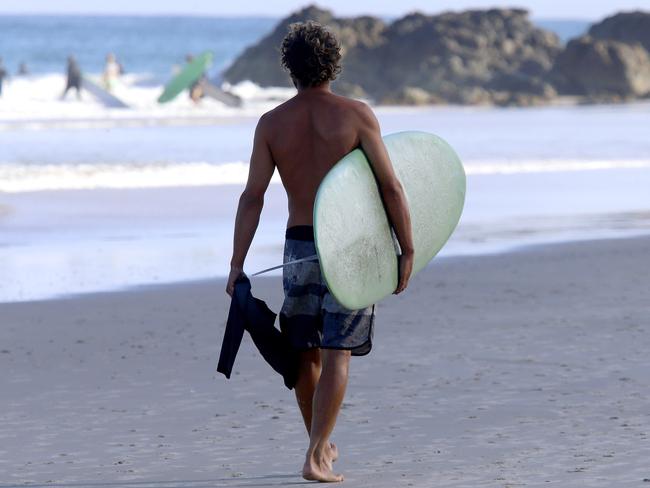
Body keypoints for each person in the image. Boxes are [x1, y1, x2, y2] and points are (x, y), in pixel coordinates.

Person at [226, 21, 414, 482]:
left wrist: (237, 263)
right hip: (351, 243)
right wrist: (407, 247)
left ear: (290, 68)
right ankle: (315, 455)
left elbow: (253, 196)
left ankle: (320, 445)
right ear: (335, 64)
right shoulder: (357, 115)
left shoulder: (272, 124)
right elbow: (390, 186)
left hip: (300, 248)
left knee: (305, 352)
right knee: (338, 353)